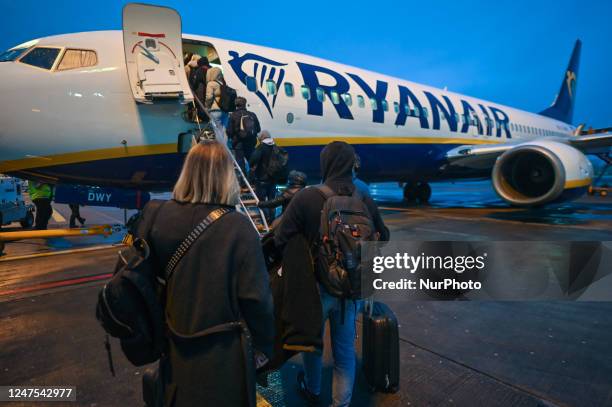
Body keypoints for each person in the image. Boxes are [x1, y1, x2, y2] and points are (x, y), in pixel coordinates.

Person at [145, 140, 275, 406]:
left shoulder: (156, 216)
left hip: (174, 352)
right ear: (227, 178)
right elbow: (257, 300)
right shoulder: (238, 228)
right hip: (224, 363)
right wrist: (264, 348)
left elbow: (137, 271)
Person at [274, 141, 390, 407]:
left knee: (313, 344)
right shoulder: (363, 197)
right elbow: (383, 236)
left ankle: (313, 389)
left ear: (324, 164)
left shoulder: (308, 196)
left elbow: (281, 238)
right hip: (350, 289)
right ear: (352, 164)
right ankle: (342, 403)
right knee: (345, 351)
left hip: (315, 288)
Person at [227, 96, 261, 175]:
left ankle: (243, 182)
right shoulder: (252, 115)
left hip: (239, 144)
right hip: (251, 143)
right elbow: (258, 129)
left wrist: (231, 138)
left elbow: (229, 131)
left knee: (240, 164)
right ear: (245, 104)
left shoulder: (233, 115)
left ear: (236, 105)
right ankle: (255, 178)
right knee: (253, 162)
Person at [249, 131, 278, 221]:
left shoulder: (261, 148)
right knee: (272, 201)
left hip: (262, 179)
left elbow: (253, 160)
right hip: (273, 179)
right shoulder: (276, 147)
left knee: (261, 201)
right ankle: (272, 218)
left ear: (262, 138)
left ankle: (266, 218)